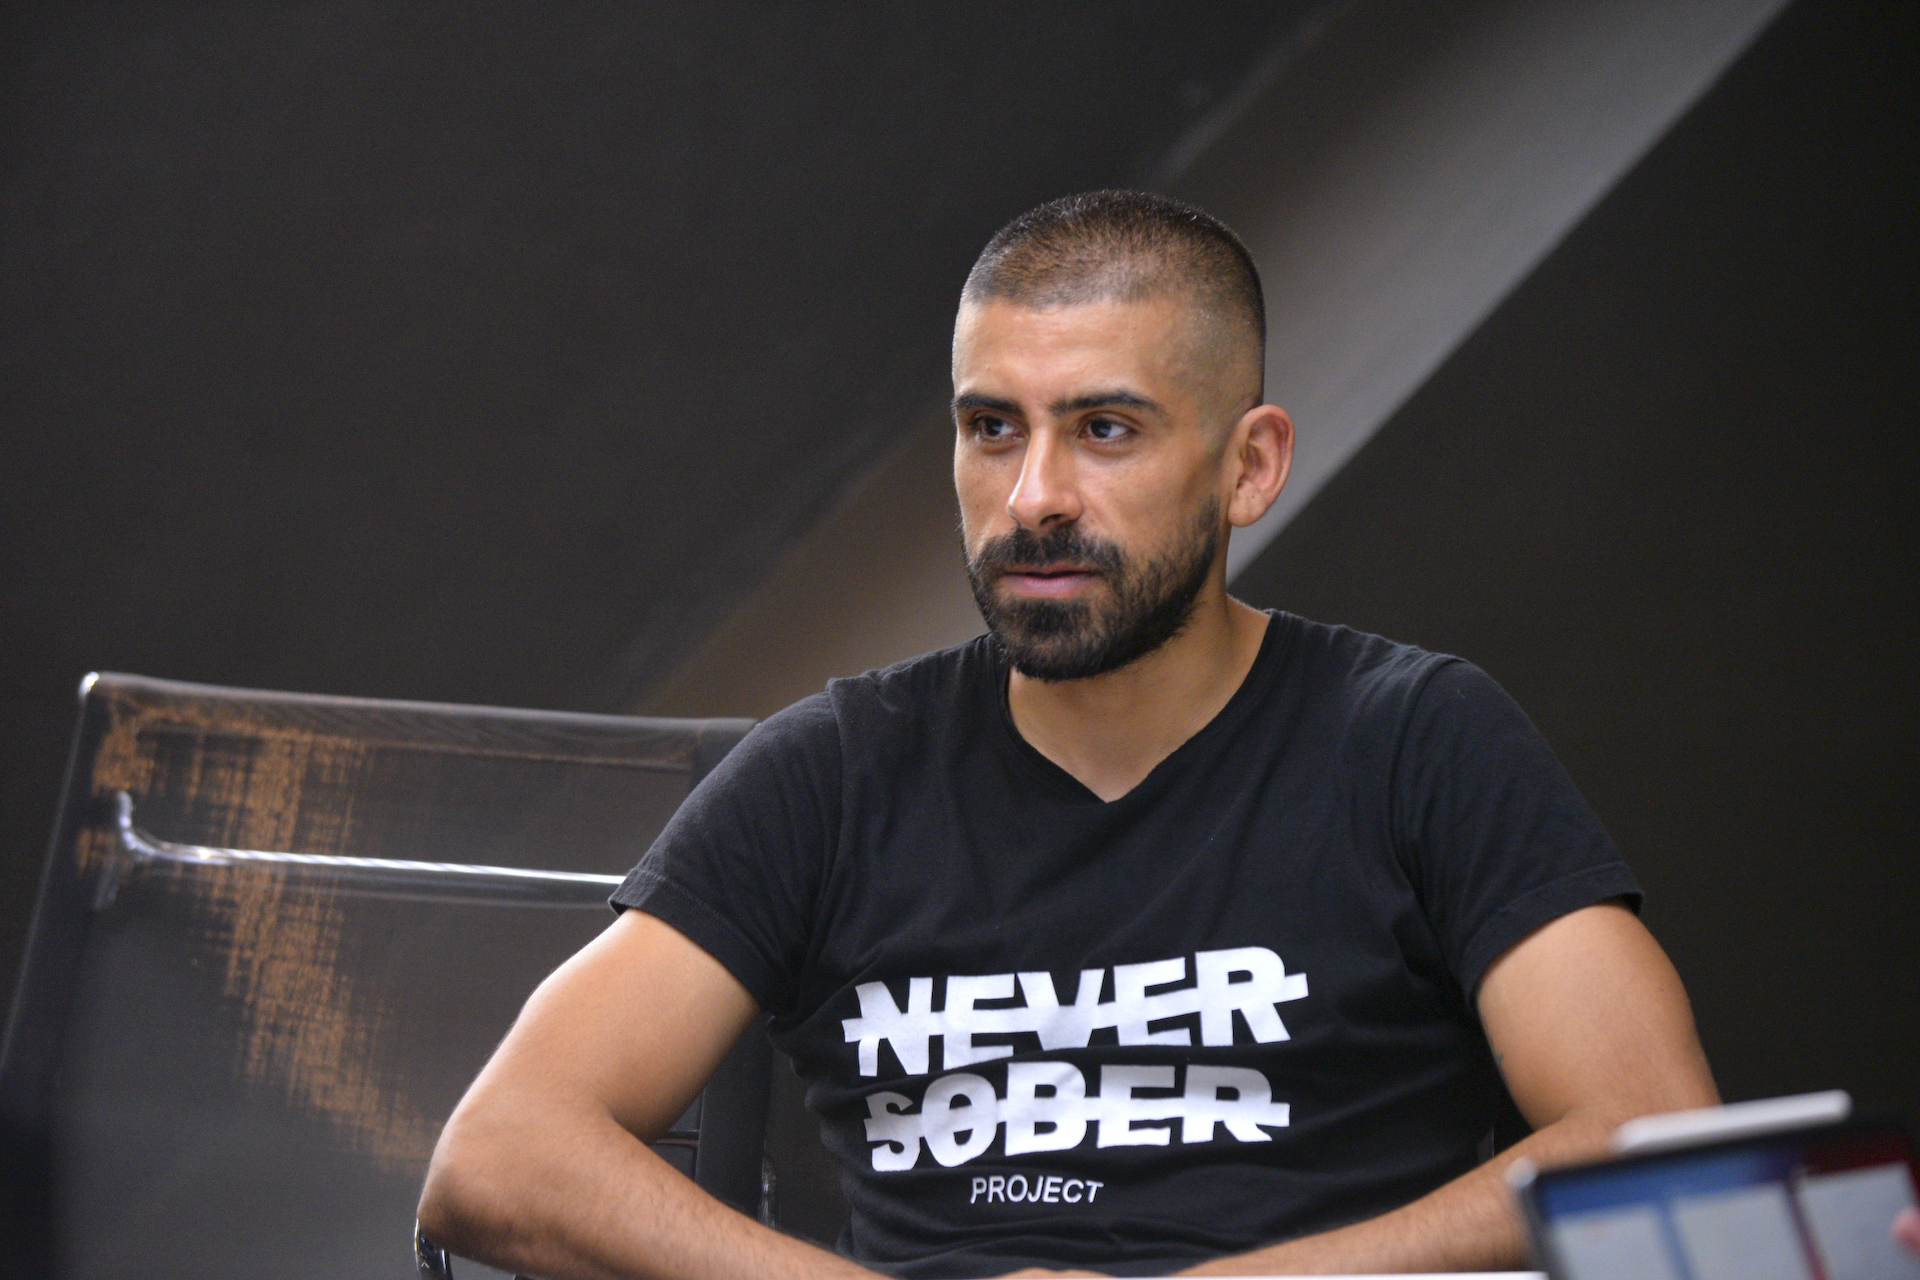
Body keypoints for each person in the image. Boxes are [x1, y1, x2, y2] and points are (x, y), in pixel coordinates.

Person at [417, 190, 1719, 1278]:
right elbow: (501, 1154)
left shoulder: (1416, 741)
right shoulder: (836, 771)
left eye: (1104, 429)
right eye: (993, 429)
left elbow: (1656, 1137)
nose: (1034, 497)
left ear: (1250, 467)